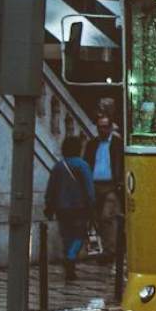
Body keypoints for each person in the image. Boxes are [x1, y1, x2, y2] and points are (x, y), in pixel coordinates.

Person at [44, 135, 94, 282]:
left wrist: (49, 206)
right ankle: (71, 257)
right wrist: (92, 204)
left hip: (62, 208)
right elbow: (89, 189)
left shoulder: (59, 166)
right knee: (79, 235)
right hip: (79, 207)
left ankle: (69, 263)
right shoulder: (83, 165)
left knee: (66, 236)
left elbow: (51, 189)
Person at [84, 108, 124, 259]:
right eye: (99, 127)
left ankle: (110, 250)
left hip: (111, 185)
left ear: (110, 127)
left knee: (108, 217)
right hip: (94, 185)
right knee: (94, 219)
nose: (102, 130)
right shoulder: (92, 144)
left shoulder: (117, 144)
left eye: (105, 126)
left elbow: (122, 162)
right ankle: (96, 250)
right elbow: (87, 162)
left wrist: (119, 182)